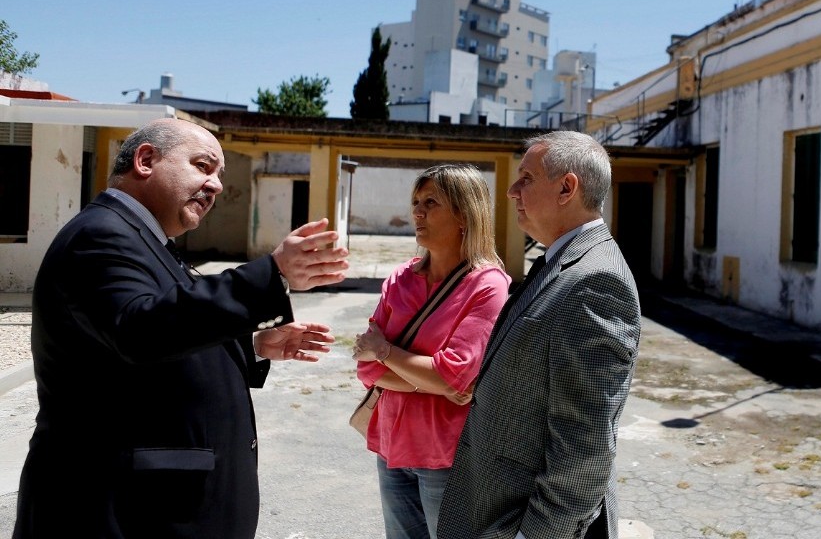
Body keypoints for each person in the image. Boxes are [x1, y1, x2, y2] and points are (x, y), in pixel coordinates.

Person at [13, 118, 350, 539]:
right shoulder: (100, 235)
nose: (216, 186)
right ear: (146, 159)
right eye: (203, 166)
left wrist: (252, 346)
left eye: (220, 175)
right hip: (120, 512)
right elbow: (139, 330)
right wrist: (272, 275)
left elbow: (159, 329)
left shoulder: (143, 239)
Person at [438, 131, 642, 539]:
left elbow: (584, 446)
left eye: (526, 178)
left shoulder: (595, 281)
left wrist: (535, 535)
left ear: (567, 187)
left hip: (522, 524)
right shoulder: (565, 262)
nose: (512, 191)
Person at [352, 164, 510, 539]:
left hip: (446, 454)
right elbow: (366, 369)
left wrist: (387, 352)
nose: (417, 212)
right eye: (416, 202)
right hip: (391, 443)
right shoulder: (400, 279)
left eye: (431, 203)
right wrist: (429, 381)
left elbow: (452, 374)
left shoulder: (488, 286)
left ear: (463, 215)